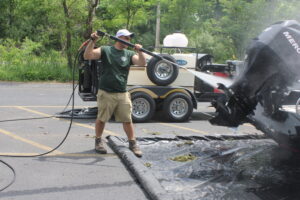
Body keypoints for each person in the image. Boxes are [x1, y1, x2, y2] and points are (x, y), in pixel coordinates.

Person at [83, 29, 146, 157]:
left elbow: (142, 63)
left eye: (129, 39)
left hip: (122, 93)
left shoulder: (129, 54)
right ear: (119, 38)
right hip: (106, 92)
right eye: (126, 38)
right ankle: (98, 141)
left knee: (127, 120)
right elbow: (88, 55)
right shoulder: (106, 50)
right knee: (102, 119)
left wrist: (140, 52)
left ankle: (132, 143)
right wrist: (92, 41)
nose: (129, 41)